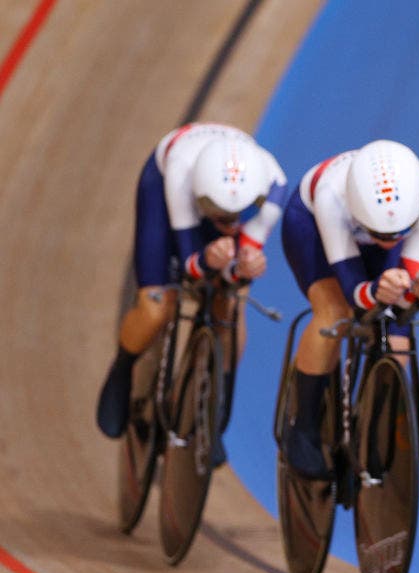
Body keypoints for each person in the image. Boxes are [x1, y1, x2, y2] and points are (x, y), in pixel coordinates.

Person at [96, 122, 287, 456]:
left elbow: (238, 269)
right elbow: (189, 263)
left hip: (219, 194)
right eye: (219, 215)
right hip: (163, 190)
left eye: (237, 216)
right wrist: (208, 259)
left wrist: (241, 267)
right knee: (158, 306)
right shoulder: (182, 174)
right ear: (202, 198)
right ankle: (123, 368)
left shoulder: (274, 186)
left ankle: (215, 408)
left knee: (230, 306)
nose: (229, 223)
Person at [281, 139, 419, 479]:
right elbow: (355, 290)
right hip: (312, 226)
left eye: (399, 232)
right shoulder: (331, 195)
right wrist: (374, 290)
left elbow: (415, 271)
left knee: (398, 343)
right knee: (335, 313)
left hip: (380, 225)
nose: (389, 238)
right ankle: (304, 428)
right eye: (380, 232)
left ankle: (375, 431)